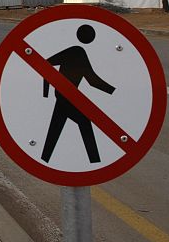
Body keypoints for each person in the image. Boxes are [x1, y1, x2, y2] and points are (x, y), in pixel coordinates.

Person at [41, 24, 116, 164]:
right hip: (66, 97)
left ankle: (44, 159)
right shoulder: (77, 51)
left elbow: (91, 80)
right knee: (84, 123)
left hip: (66, 97)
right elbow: (44, 65)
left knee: (55, 130)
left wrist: (114, 92)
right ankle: (95, 162)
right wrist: (45, 93)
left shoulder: (80, 53)